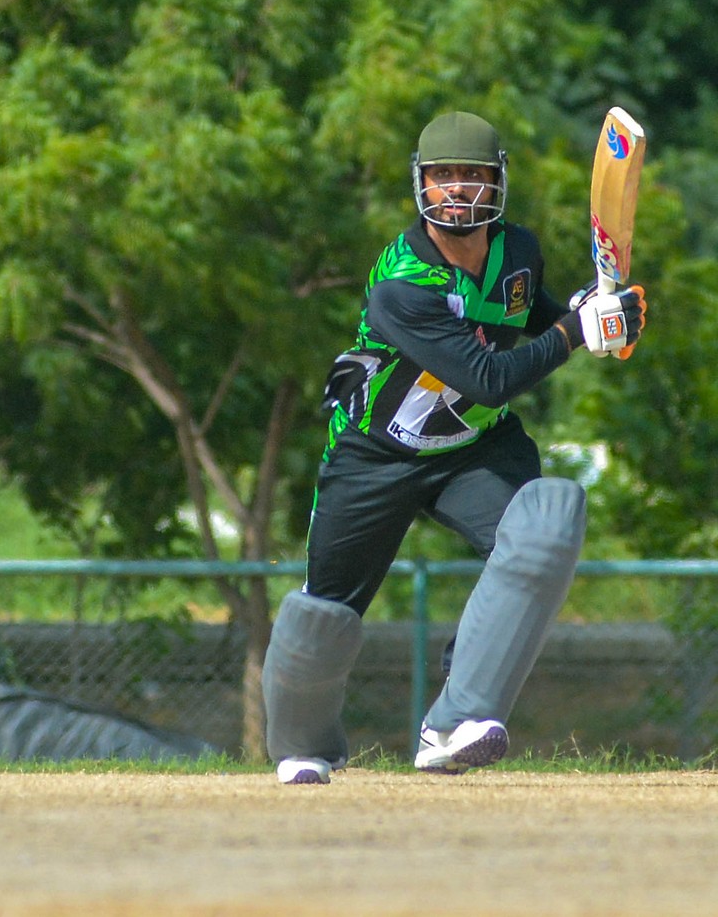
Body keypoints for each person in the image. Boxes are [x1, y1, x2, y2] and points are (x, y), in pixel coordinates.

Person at [263, 111, 647, 785]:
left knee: (547, 521)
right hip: (375, 452)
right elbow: (490, 379)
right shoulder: (402, 283)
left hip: (472, 448)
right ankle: (304, 742)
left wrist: (594, 314)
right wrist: (576, 333)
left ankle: (454, 722)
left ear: (498, 181)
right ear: (421, 184)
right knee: (326, 609)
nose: (459, 189)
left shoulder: (517, 250)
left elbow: (531, 315)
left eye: (473, 175)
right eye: (444, 176)